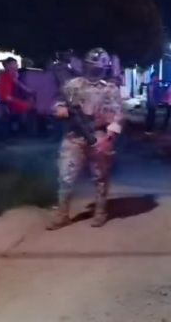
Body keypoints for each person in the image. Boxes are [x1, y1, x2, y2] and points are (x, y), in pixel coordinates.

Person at [46, 48, 124, 230]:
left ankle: (100, 212)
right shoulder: (73, 85)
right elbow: (57, 102)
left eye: (100, 67)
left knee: (101, 178)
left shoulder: (110, 89)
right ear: (86, 66)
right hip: (73, 137)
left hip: (99, 136)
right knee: (65, 177)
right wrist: (59, 110)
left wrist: (108, 139)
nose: (96, 70)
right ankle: (62, 215)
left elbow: (118, 116)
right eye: (92, 65)